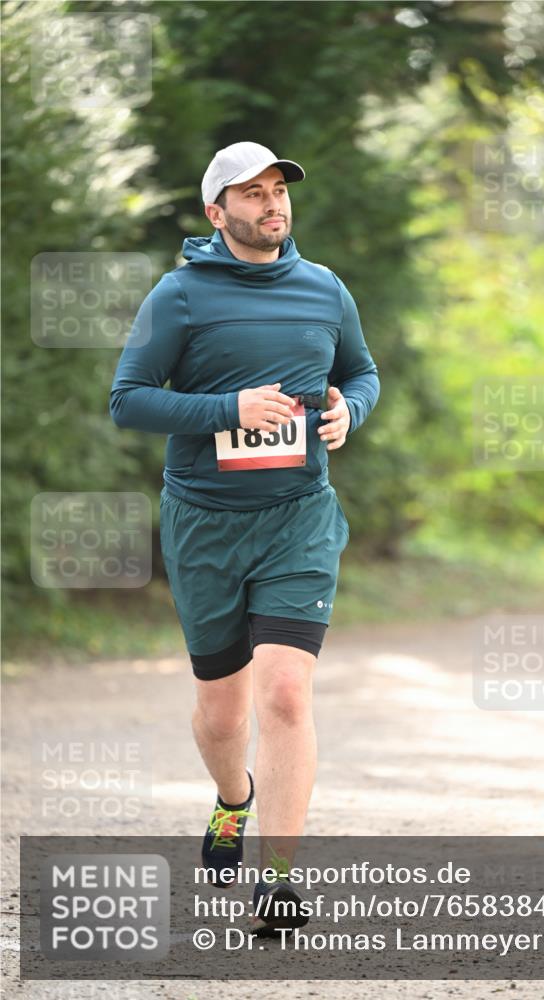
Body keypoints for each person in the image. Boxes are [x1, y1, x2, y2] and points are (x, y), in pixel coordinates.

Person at [110, 140, 380, 936]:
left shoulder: (324, 288)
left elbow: (361, 372)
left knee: (287, 692)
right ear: (216, 211)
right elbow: (129, 400)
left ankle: (279, 880)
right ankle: (233, 797)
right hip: (204, 526)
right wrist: (229, 409)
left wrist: (350, 410)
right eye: (252, 193)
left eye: (278, 190)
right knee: (224, 716)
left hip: (298, 517)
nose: (272, 204)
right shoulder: (179, 295)